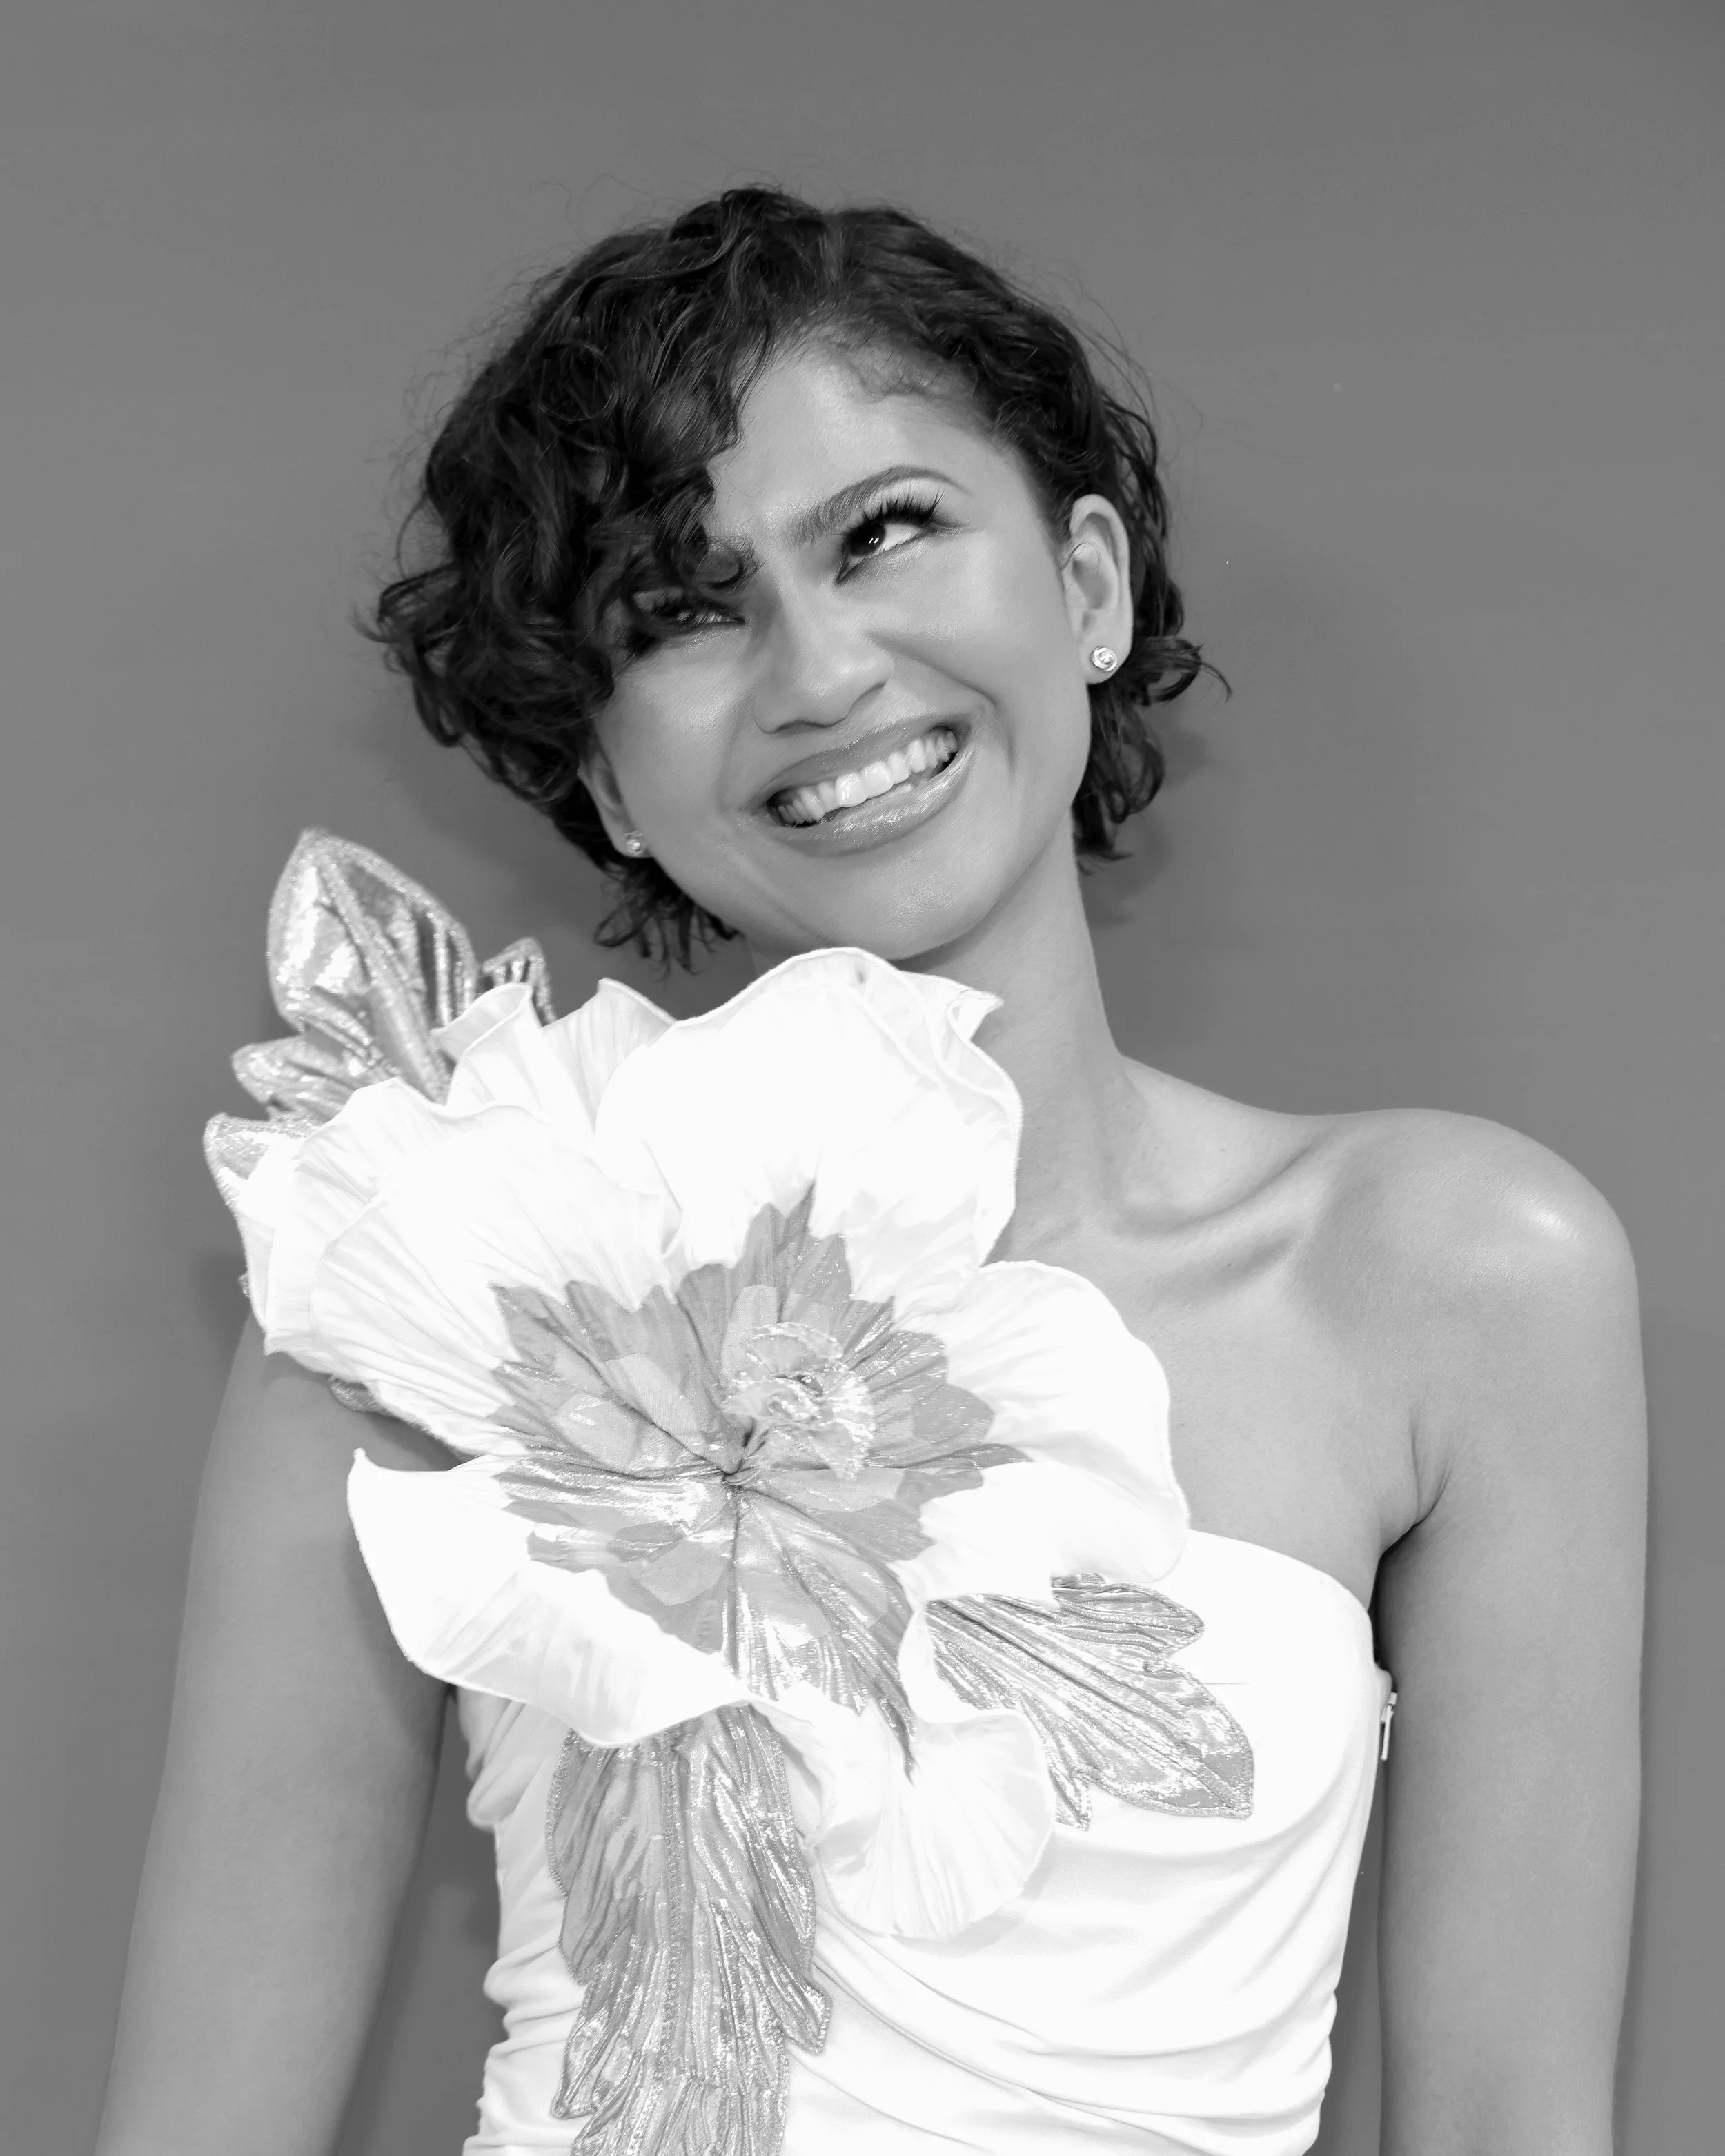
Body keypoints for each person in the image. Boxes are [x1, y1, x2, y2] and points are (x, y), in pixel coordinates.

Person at [95, 188, 1646, 2156]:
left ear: (1087, 582)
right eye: (679, 609)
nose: (817, 670)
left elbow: (1512, 2115)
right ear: (603, 778)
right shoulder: (425, 1294)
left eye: (885, 530)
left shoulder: (1456, 1281)